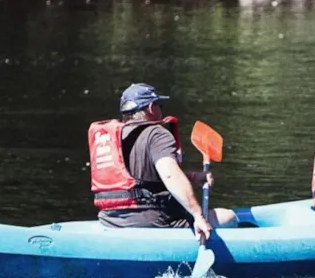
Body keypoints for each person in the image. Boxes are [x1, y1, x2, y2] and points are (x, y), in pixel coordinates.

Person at [88, 83, 237, 241]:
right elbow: (170, 176)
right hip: (154, 223)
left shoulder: (114, 138)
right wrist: (198, 215)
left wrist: (192, 177)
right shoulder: (156, 134)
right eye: (160, 105)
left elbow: (139, 182)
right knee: (228, 217)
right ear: (152, 108)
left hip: (111, 222)